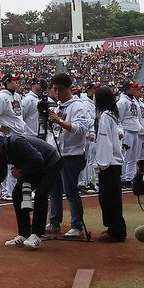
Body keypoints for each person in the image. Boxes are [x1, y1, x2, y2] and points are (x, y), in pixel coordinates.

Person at [0, 130, 61, 249]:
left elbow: (38, 159)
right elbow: (0, 175)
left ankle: (36, 234)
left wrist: (21, 171)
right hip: (32, 166)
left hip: (50, 163)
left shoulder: (17, 142)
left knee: (41, 194)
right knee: (17, 194)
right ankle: (24, 233)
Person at [46, 72, 92, 239]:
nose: (57, 93)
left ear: (68, 88)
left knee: (71, 191)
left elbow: (80, 130)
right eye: (54, 89)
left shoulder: (78, 106)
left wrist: (58, 121)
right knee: (55, 190)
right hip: (57, 154)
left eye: (60, 89)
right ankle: (54, 222)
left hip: (72, 154)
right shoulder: (58, 107)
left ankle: (77, 225)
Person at [87, 86, 127, 243]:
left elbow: (105, 142)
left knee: (108, 198)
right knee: (112, 198)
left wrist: (101, 164)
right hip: (114, 162)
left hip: (109, 163)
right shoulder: (111, 115)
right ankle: (115, 227)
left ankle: (115, 230)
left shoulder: (105, 116)